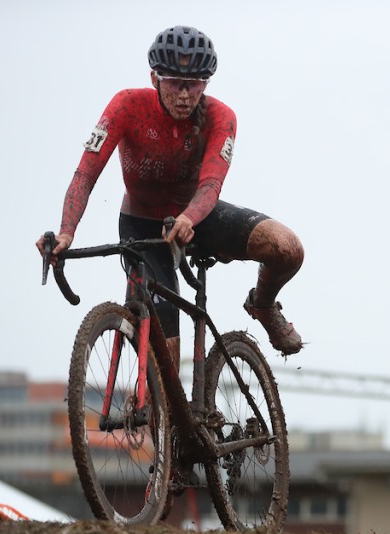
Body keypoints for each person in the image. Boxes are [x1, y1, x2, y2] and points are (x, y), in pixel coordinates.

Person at [35, 25, 304, 363]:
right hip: (142, 225)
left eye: (194, 85)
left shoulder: (222, 117)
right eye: (175, 83)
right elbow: (85, 173)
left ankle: (263, 305)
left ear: (205, 83)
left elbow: (210, 184)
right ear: (154, 78)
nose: (184, 95)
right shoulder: (126, 106)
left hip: (199, 215)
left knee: (287, 248)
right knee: (167, 360)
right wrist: (66, 232)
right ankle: (153, 414)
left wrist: (189, 217)